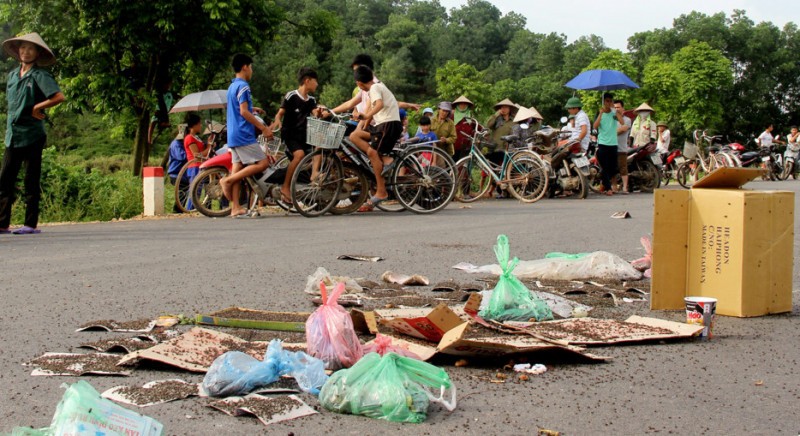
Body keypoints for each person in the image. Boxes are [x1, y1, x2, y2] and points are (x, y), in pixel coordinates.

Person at [0, 33, 65, 235]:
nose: (25, 52)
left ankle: (30, 224)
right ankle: (2, 223)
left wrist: (38, 106)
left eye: (30, 49)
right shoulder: (12, 76)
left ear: (37, 53)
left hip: (32, 134)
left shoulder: (40, 75)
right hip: (13, 134)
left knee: (31, 179)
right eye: (22, 48)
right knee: (5, 180)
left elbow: (58, 96)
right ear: (18, 51)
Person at [219, 53, 272, 217]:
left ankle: (236, 207)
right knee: (263, 163)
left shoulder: (232, 86)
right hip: (243, 134)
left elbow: (239, 108)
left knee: (238, 169)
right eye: (251, 67)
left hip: (233, 135)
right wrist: (263, 128)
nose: (252, 71)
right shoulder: (243, 86)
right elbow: (243, 112)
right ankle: (226, 181)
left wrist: (252, 108)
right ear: (245, 67)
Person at [347, 65, 403, 212]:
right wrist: (364, 124)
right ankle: (381, 160)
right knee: (354, 135)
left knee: (372, 153)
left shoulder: (374, 88)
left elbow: (379, 105)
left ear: (359, 83)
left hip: (388, 125)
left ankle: (382, 189)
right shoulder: (377, 88)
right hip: (382, 126)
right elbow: (372, 112)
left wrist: (365, 116)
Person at [269, 67, 320, 203]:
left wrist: (321, 112)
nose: (317, 84)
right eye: (315, 81)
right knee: (299, 155)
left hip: (304, 134)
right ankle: (285, 187)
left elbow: (315, 112)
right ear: (307, 80)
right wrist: (278, 120)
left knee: (320, 144)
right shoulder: (291, 96)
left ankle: (314, 174)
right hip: (291, 134)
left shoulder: (311, 100)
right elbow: (280, 113)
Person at [593, 93, 624, 196]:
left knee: (613, 167)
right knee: (605, 167)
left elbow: (622, 122)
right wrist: (601, 114)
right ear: (603, 102)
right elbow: (595, 126)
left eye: (610, 101)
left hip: (613, 143)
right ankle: (608, 188)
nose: (609, 103)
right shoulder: (600, 112)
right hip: (602, 143)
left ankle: (608, 184)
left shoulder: (614, 113)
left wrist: (616, 112)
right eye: (607, 101)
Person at [183, 113, 212, 209]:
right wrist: (209, 148)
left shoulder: (196, 137)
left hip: (199, 165)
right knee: (195, 191)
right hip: (194, 166)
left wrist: (209, 145)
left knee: (198, 191)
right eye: (199, 123)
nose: (201, 126)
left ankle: (193, 209)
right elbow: (197, 155)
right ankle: (190, 209)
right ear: (194, 125)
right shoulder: (189, 138)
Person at [613, 100, 632, 194]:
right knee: (612, 168)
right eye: (615, 107)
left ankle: (625, 187)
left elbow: (623, 129)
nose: (616, 109)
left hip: (622, 148)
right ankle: (614, 187)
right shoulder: (611, 119)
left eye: (618, 107)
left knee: (623, 168)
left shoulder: (627, 120)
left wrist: (612, 131)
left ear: (623, 108)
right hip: (611, 147)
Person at [452, 95, 476, 161]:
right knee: (453, 164)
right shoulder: (452, 116)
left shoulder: (470, 116)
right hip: (454, 145)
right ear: (457, 105)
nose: (463, 105)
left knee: (464, 166)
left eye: (465, 104)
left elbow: (476, 127)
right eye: (460, 104)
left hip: (466, 146)